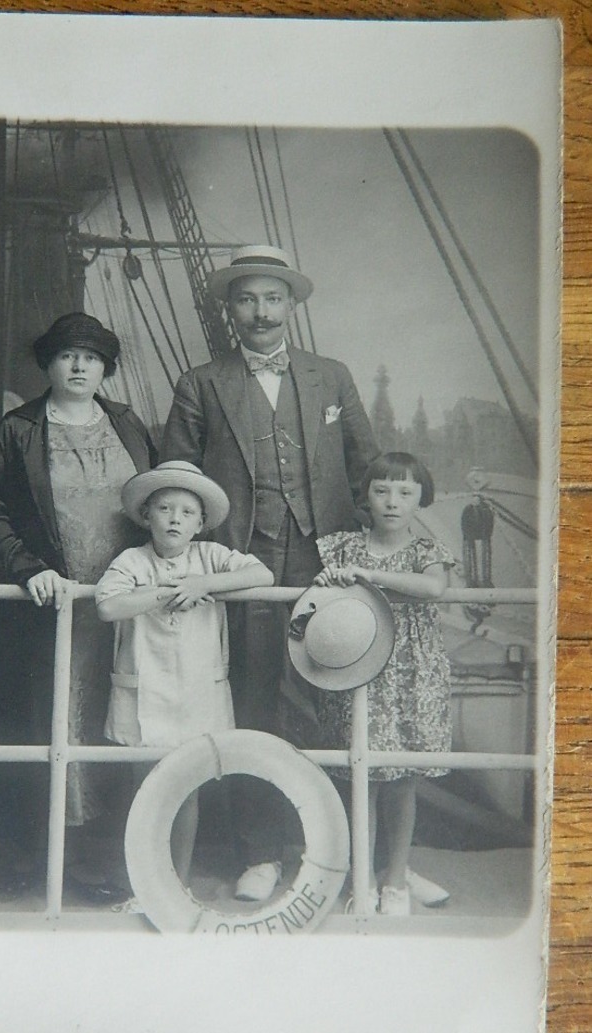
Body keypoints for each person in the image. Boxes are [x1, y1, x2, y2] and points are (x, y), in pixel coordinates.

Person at [161, 244, 379, 900]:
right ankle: (258, 853)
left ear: (290, 304)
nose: (259, 312)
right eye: (246, 299)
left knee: (329, 701)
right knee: (255, 702)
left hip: (326, 563)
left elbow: (365, 461)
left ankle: (327, 850)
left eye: (271, 298)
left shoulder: (330, 376)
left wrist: (392, 541)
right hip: (243, 567)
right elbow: (179, 473)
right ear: (228, 309)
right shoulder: (201, 382)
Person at [0, 312, 156, 902]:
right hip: (49, 606)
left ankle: (107, 859)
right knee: (47, 723)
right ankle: (39, 855)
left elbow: (158, 501)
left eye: (92, 358)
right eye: (68, 356)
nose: (79, 367)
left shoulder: (127, 425)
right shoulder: (18, 429)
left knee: (116, 724)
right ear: (48, 364)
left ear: (105, 368)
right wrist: (30, 569)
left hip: (124, 608)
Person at [95, 461, 273, 886]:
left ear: (201, 523)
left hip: (196, 691)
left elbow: (263, 573)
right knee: (148, 789)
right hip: (146, 692)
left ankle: (177, 882)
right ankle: (147, 881)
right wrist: (161, 593)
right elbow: (107, 605)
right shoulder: (133, 560)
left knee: (187, 787)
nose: (175, 518)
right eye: (164, 508)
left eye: (187, 512)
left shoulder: (210, 557)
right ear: (146, 516)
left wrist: (202, 584)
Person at [312, 452, 455, 915]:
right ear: (366, 496)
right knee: (363, 777)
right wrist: (332, 582)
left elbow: (433, 588)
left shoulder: (426, 551)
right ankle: (362, 881)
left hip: (411, 673)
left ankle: (395, 879)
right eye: (382, 490)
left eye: (405, 492)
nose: (392, 502)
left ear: (420, 499)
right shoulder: (342, 549)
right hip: (360, 671)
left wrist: (371, 576)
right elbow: (318, 601)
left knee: (403, 780)